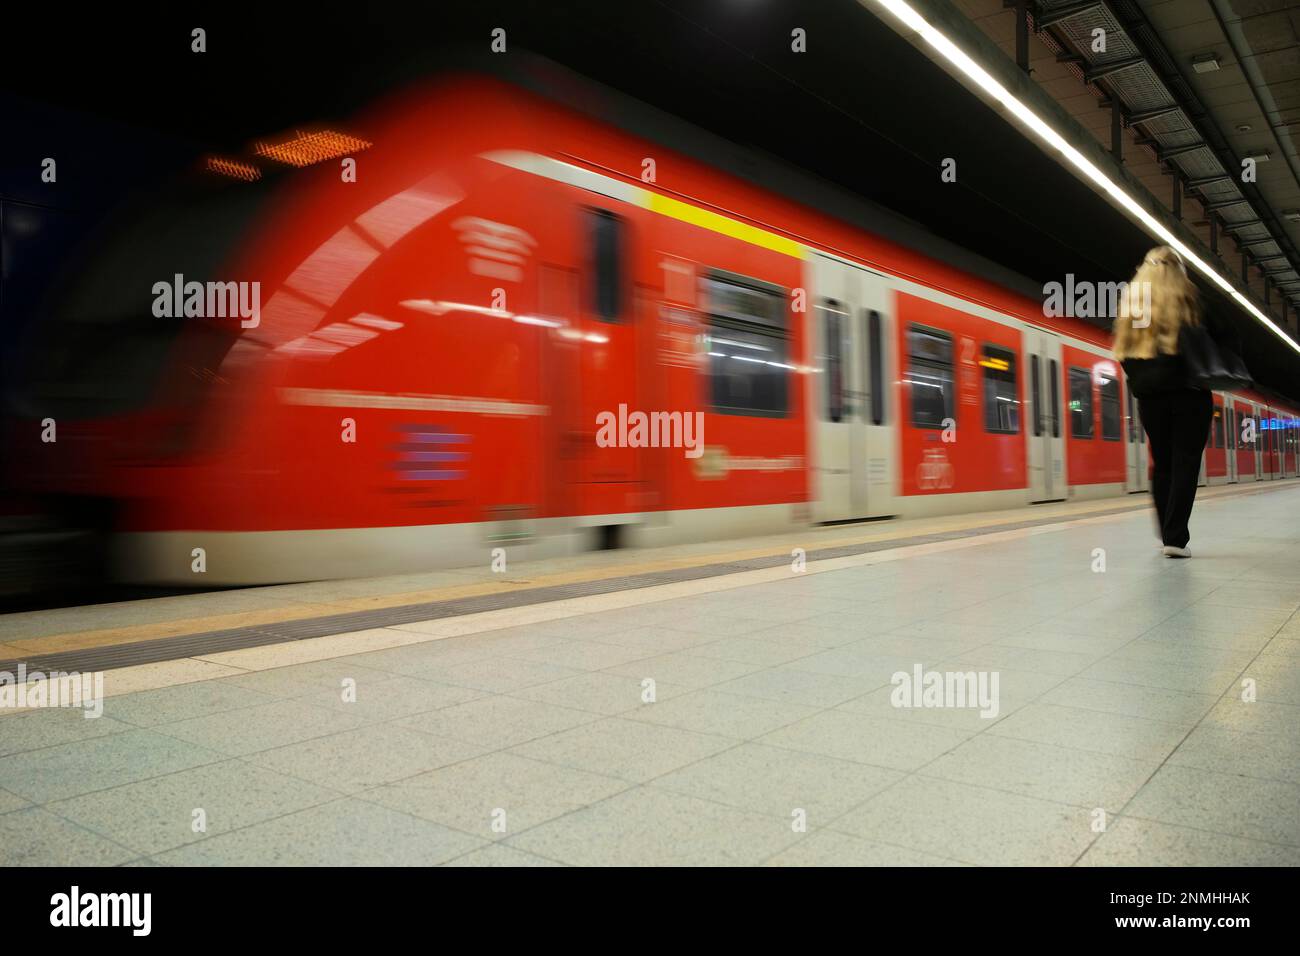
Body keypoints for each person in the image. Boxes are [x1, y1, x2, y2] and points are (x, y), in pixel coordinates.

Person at [1113, 246, 1221, 558]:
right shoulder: (1192, 301)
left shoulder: (1136, 307)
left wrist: (1143, 381)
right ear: (1179, 272)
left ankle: (1166, 536)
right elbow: (1227, 334)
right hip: (1191, 394)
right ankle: (1176, 537)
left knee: (1162, 464)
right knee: (1185, 463)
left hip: (1151, 399)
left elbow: (1125, 352)